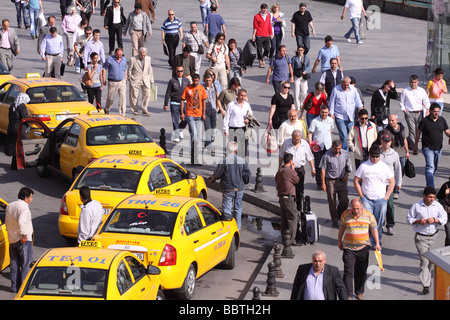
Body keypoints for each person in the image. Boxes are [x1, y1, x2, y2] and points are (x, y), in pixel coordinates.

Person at [406, 187, 448, 294]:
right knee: (424, 261)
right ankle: (426, 285)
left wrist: (435, 220)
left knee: (431, 262)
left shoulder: (437, 206)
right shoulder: (417, 206)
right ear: (424, 196)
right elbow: (409, 218)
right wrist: (418, 221)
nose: (432, 199)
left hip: (434, 237)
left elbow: (444, 218)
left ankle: (427, 279)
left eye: (433, 197)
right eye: (430, 197)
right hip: (421, 238)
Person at [338, 198, 380, 300]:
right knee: (348, 271)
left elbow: (374, 229)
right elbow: (342, 228)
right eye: (353, 208)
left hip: (363, 248)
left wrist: (377, 243)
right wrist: (339, 241)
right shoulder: (345, 214)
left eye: (357, 208)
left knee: (361, 271)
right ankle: (348, 294)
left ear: (362, 206)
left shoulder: (369, 215)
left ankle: (359, 292)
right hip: (349, 248)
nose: (355, 211)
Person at [354, 145, 395, 247]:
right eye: (373, 156)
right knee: (366, 221)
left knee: (379, 223)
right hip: (367, 199)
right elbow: (356, 180)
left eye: (377, 156)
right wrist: (361, 196)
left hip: (381, 199)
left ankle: (376, 242)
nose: (375, 159)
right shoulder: (363, 166)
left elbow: (392, 182)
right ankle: (365, 240)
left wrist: (387, 196)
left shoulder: (384, 167)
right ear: (369, 156)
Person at [209, 141, 251, 230]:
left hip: (228, 188)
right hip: (239, 188)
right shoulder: (242, 161)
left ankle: (228, 228)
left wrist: (212, 179)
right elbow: (247, 174)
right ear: (236, 150)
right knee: (238, 207)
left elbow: (217, 174)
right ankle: (237, 227)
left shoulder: (224, 161)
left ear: (228, 150)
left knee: (227, 207)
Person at [414, 103, 450, 188]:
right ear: (430, 111)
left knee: (435, 167)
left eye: (438, 111)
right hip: (427, 148)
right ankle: (430, 188)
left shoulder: (442, 120)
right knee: (430, 166)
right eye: (435, 111)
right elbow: (418, 133)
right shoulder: (424, 121)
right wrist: (415, 145)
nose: (437, 113)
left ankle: (430, 181)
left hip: (439, 148)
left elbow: (447, 131)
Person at [5, 187, 34, 293]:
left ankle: (14, 287)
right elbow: (22, 222)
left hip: (12, 239)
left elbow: (7, 221)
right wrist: (24, 236)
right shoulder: (24, 207)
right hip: (23, 240)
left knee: (14, 264)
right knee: (26, 264)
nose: (31, 199)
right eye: (31, 197)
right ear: (26, 198)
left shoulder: (10, 206)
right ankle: (23, 288)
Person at [279, 130, 315, 211]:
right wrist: (279, 167)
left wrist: (313, 168)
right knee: (289, 188)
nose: (296, 141)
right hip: (288, 170)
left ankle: (299, 206)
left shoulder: (304, 144)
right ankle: (290, 206)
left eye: (298, 139)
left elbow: (310, 157)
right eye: (295, 139)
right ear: (292, 136)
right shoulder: (286, 143)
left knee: (299, 189)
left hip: (299, 170)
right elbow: (281, 154)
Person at [319, 139, 352, 226]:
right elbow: (322, 170)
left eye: (339, 149)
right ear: (332, 147)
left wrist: (347, 174)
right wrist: (323, 183)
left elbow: (349, 165)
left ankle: (339, 214)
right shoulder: (327, 155)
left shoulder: (345, 153)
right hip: (331, 181)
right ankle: (334, 219)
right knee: (332, 202)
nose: (337, 151)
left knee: (345, 201)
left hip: (342, 181)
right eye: (335, 149)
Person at [329, 77, 363, 151]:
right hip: (339, 116)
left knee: (351, 136)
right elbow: (332, 102)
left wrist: (361, 108)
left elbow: (357, 100)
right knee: (344, 136)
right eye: (345, 85)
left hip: (350, 116)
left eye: (347, 85)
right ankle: (345, 153)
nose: (346, 86)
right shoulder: (335, 90)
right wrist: (331, 113)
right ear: (341, 83)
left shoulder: (353, 89)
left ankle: (346, 149)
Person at [181, 73, 207, 165]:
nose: (195, 82)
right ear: (192, 80)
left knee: (199, 137)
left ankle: (196, 158)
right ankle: (193, 155)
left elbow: (204, 101)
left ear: (199, 80)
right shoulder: (187, 88)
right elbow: (182, 100)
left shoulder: (202, 89)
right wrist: (182, 113)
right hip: (190, 114)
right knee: (194, 134)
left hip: (199, 115)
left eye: (197, 81)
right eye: (194, 81)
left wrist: (204, 113)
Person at [379, 132, 402, 236]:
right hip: (378, 184)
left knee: (390, 204)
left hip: (389, 184)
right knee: (379, 205)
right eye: (384, 141)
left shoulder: (394, 154)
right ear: (381, 141)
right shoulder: (377, 153)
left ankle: (390, 225)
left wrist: (399, 182)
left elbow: (398, 169)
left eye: (388, 141)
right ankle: (380, 223)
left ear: (391, 142)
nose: (386, 143)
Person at [399, 74, 430, 148]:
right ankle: (414, 147)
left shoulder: (421, 91)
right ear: (409, 82)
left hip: (419, 113)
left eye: (415, 82)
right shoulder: (405, 91)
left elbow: (426, 101)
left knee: (418, 130)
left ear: (418, 82)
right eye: (411, 82)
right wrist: (404, 109)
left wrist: (427, 109)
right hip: (409, 113)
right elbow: (401, 101)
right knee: (412, 130)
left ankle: (408, 141)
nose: (413, 84)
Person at [275, 152, 300, 245]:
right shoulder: (289, 171)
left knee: (284, 218)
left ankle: (284, 238)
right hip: (288, 197)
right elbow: (297, 180)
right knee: (293, 218)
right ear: (290, 162)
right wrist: (293, 169)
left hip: (281, 196)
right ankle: (291, 240)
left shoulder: (280, 170)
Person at [308, 104, 334, 188]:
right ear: (320, 111)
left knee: (328, 164)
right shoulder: (315, 121)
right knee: (319, 164)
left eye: (326, 112)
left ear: (328, 112)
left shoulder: (330, 120)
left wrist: (327, 137)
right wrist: (311, 145)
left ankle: (327, 181)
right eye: (322, 112)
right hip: (318, 146)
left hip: (328, 145)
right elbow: (310, 133)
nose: (324, 114)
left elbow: (331, 129)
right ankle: (319, 183)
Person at [223, 89, 253, 159]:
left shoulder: (247, 105)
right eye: (241, 95)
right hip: (233, 129)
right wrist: (225, 130)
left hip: (243, 129)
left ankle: (241, 166)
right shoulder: (231, 105)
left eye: (244, 96)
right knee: (232, 150)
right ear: (237, 95)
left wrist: (248, 120)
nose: (243, 97)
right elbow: (226, 118)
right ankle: (229, 166)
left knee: (243, 150)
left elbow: (251, 115)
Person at [164, 65, 190, 142]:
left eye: (181, 71)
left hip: (184, 102)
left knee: (186, 119)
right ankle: (176, 135)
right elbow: (168, 92)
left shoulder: (187, 81)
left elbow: (189, 92)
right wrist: (166, 104)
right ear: (176, 71)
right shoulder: (172, 81)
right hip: (174, 103)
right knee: (175, 120)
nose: (180, 73)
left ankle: (180, 129)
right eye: (178, 71)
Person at [386, 113, 409, 199]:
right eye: (389, 120)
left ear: (397, 120)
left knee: (400, 171)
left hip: (402, 153)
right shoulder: (387, 130)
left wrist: (407, 152)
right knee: (393, 172)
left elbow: (405, 140)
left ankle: (398, 183)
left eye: (392, 120)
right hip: (392, 154)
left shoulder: (402, 128)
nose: (390, 122)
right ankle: (395, 190)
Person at [4, 93, 29, 169]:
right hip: (19, 129)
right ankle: (18, 165)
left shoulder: (12, 106)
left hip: (11, 127)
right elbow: (25, 118)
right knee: (19, 147)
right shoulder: (22, 106)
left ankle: (14, 165)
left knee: (14, 146)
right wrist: (28, 126)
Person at [128, 47, 154, 116]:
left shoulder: (148, 59)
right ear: (139, 53)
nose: (143, 56)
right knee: (134, 95)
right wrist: (130, 78)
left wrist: (152, 80)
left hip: (145, 79)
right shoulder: (133, 59)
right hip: (135, 79)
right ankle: (135, 109)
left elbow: (149, 69)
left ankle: (144, 108)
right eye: (142, 55)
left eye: (144, 55)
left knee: (147, 94)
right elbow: (129, 70)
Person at [103, 48, 127, 116]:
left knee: (122, 97)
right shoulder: (109, 59)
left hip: (122, 82)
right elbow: (104, 68)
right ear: (115, 53)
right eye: (118, 54)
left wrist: (125, 79)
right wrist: (103, 79)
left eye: (121, 54)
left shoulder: (124, 60)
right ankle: (107, 108)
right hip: (112, 82)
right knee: (110, 98)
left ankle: (122, 112)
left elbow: (125, 69)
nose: (120, 56)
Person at [202, 73, 220, 148]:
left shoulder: (215, 87)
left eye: (209, 80)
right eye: (207, 80)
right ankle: (209, 147)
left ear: (212, 80)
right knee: (208, 129)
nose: (208, 82)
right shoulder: (202, 88)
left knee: (213, 127)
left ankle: (207, 142)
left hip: (214, 110)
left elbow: (218, 97)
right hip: (205, 111)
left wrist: (218, 107)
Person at [252, 3, 273, 68]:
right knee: (259, 49)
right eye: (263, 8)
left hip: (266, 35)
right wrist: (254, 35)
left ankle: (262, 57)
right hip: (259, 35)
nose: (265, 10)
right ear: (261, 9)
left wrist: (271, 33)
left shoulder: (268, 15)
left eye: (266, 8)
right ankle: (260, 62)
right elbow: (255, 26)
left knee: (267, 49)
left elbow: (269, 25)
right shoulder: (256, 16)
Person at [291, 45, 310, 109]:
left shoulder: (306, 58)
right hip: (297, 76)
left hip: (304, 76)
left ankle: (301, 102)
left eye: (301, 50)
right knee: (296, 92)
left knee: (304, 92)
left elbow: (308, 66)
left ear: (304, 50)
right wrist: (292, 76)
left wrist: (306, 71)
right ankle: (297, 107)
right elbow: (292, 68)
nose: (300, 51)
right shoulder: (294, 58)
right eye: (299, 50)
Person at [437, 177, 450, 246]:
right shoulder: (446, 185)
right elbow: (438, 196)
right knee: (449, 236)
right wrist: (445, 193)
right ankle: (447, 250)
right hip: (447, 215)